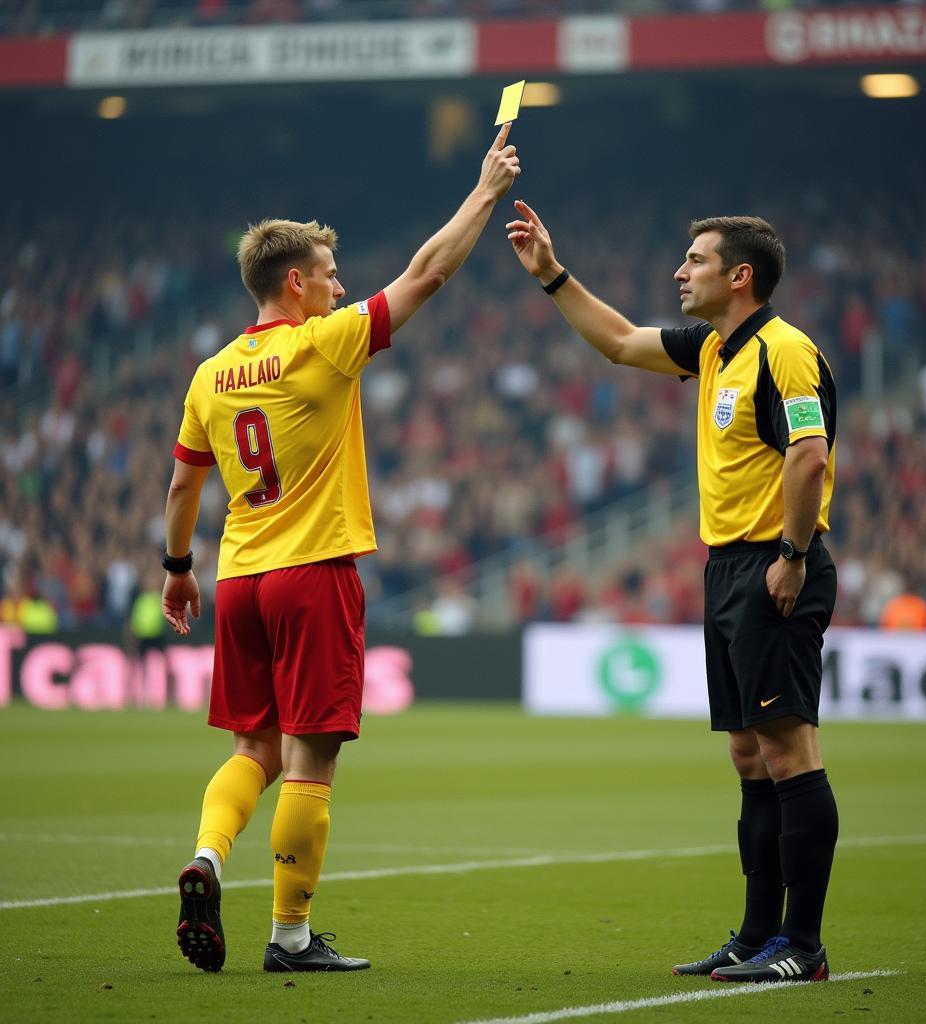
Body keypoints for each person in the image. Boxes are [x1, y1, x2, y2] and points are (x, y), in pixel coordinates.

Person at [162, 123, 521, 974]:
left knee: (252, 748)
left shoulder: (209, 373)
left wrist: (178, 573)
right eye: (330, 275)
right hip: (312, 572)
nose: (341, 286)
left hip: (239, 577)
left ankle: (207, 858)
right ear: (295, 282)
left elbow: (182, 488)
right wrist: (484, 192)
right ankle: (289, 936)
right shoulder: (323, 342)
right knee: (310, 759)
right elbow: (428, 273)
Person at [506, 203, 839, 984]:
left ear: (739, 275)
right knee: (749, 756)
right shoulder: (717, 348)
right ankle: (759, 935)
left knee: (790, 751)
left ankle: (805, 945)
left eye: (695, 260)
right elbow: (621, 342)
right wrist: (552, 274)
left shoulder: (785, 351)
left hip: (773, 562)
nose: (680, 272)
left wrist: (791, 555)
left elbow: (810, 456)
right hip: (727, 568)